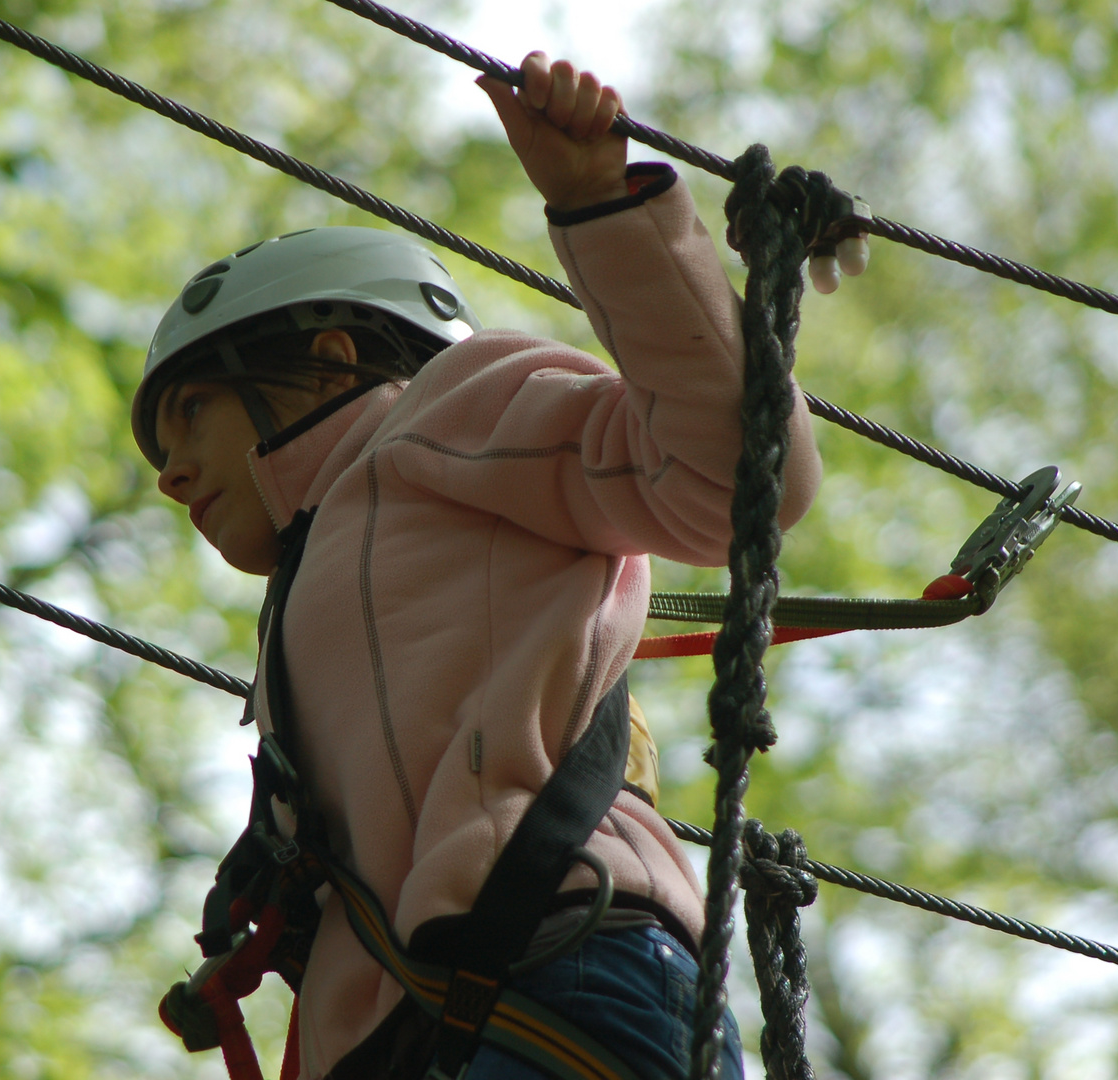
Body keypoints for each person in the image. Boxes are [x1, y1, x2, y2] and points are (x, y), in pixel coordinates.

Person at [133, 52, 822, 1080]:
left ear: (328, 360)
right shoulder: (314, 589)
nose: (171, 474)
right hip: (424, 1026)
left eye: (191, 413)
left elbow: (730, 474)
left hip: (555, 975)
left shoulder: (438, 411)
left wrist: (597, 205)